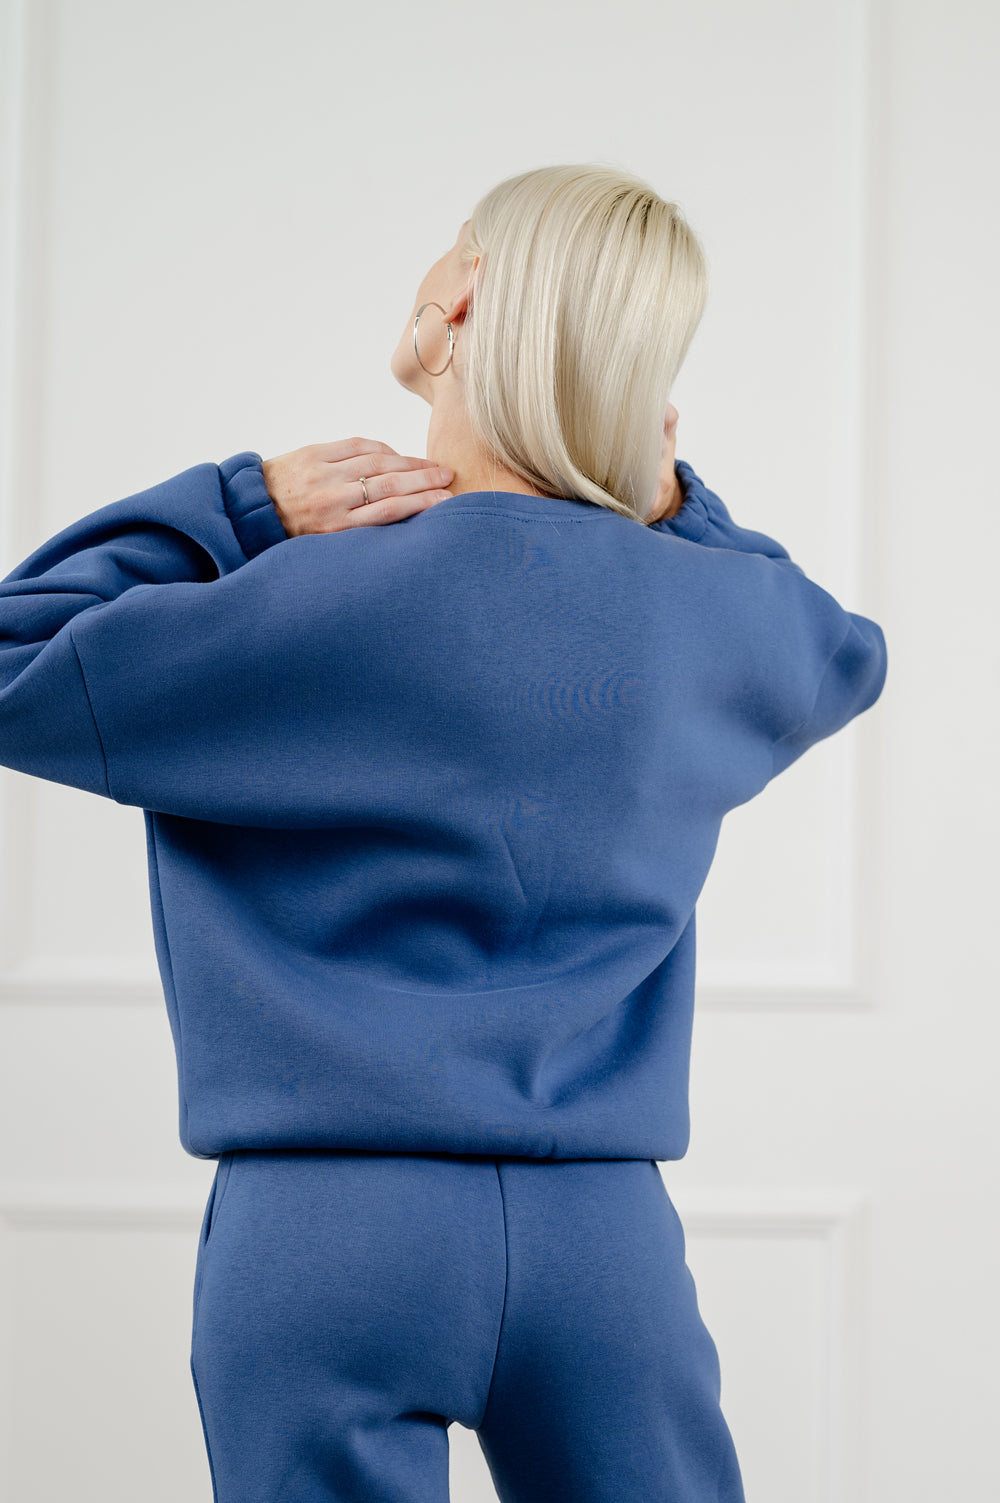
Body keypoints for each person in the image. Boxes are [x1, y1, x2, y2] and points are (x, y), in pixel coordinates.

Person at [0, 163, 887, 1502]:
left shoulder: (292, 600)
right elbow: (843, 653)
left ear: (460, 289)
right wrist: (665, 499)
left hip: (323, 1234)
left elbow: (16, 656)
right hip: (606, 1240)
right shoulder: (703, 617)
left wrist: (247, 506)